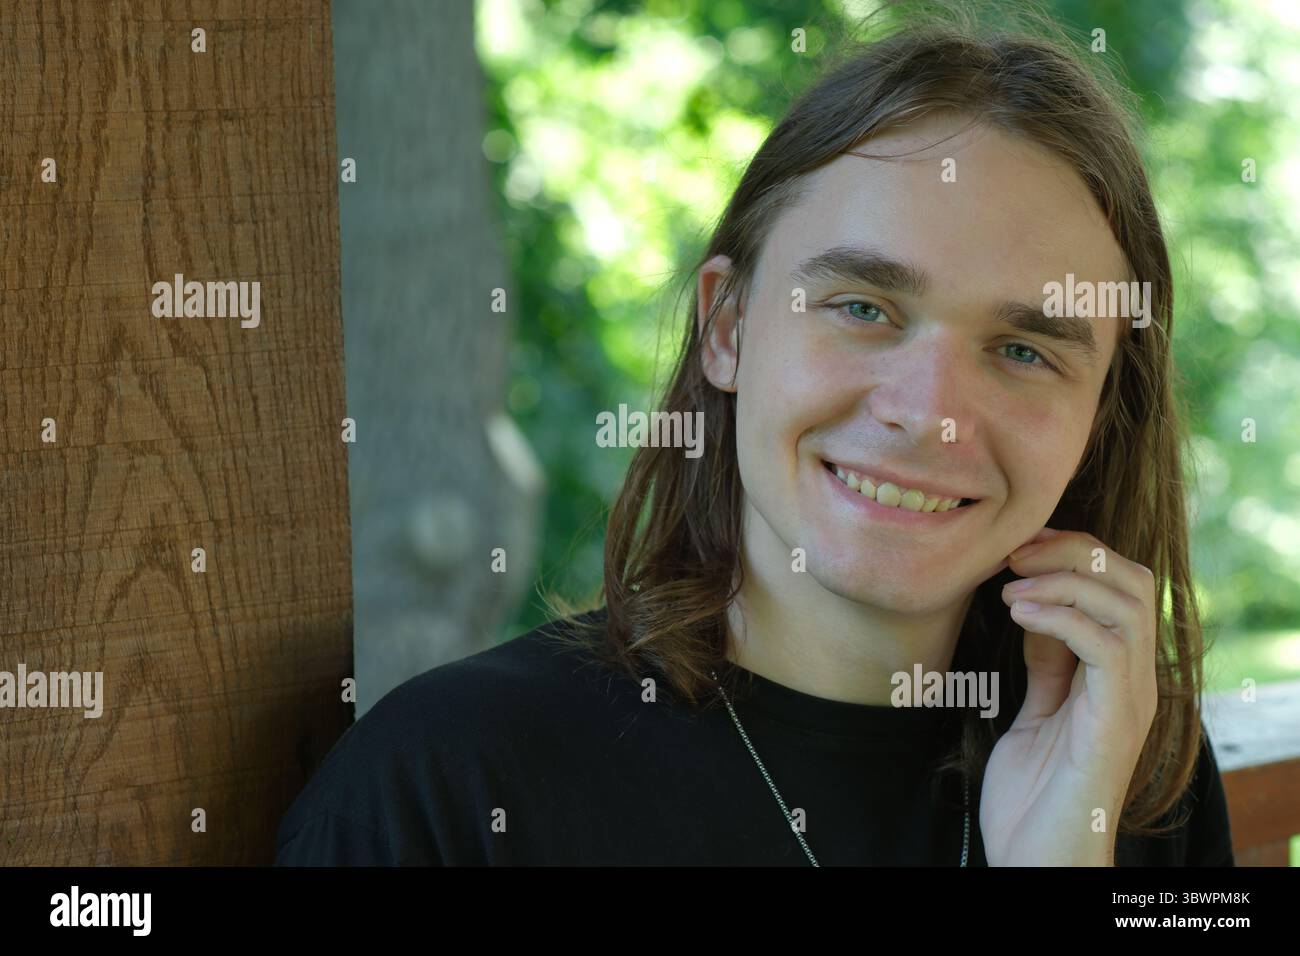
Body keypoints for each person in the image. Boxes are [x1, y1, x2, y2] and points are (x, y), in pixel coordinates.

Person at [274, 11, 1235, 866]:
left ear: (1099, 415)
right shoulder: (444, 784)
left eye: (1024, 350)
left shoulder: (1128, 770)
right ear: (729, 328)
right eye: (863, 306)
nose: (926, 409)